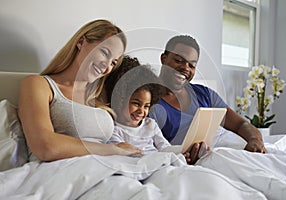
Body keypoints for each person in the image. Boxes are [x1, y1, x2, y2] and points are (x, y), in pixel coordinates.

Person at [18, 19, 143, 162]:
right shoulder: (39, 85)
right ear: (81, 42)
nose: (107, 66)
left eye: (113, 62)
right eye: (104, 52)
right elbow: (45, 147)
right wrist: (114, 150)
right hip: (60, 171)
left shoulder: (98, 98)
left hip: (104, 168)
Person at [148, 35, 266, 164]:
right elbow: (149, 149)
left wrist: (255, 139)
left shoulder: (205, 94)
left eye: (191, 65)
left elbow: (240, 124)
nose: (186, 68)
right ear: (164, 59)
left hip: (227, 150)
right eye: (178, 60)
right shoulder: (148, 102)